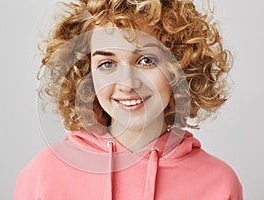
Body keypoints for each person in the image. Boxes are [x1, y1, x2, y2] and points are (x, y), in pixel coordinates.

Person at [14, 0, 243, 199]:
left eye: (146, 60)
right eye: (107, 64)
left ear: (179, 68)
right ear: (86, 74)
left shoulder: (219, 184)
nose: (127, 83)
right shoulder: (45, 173)